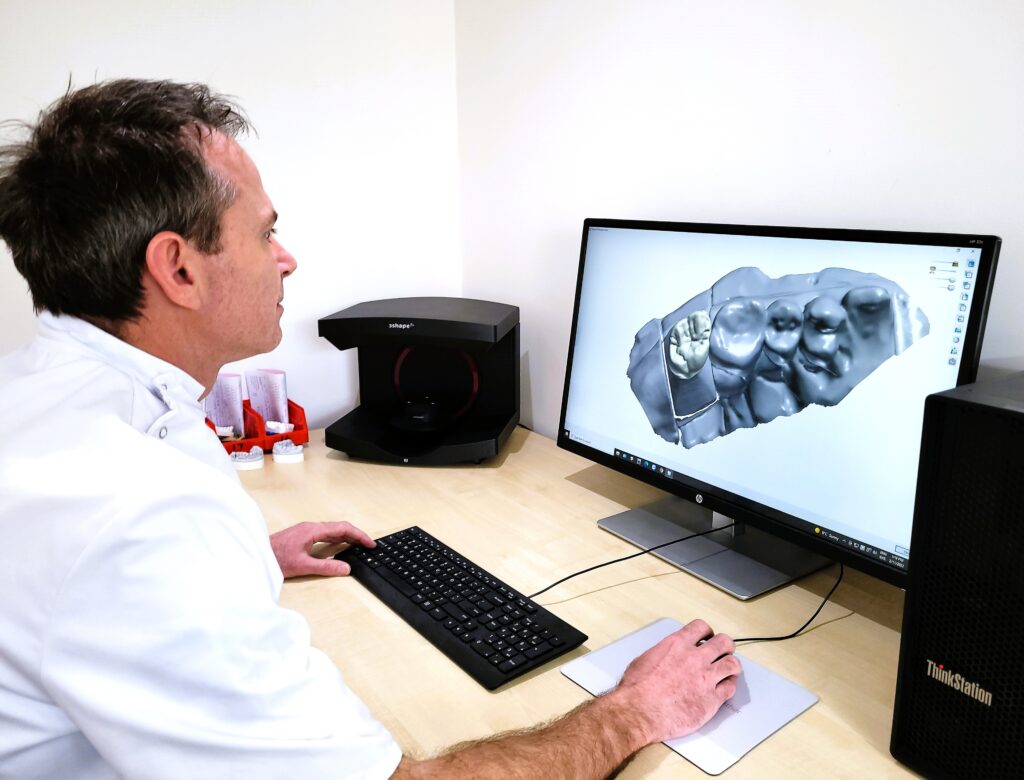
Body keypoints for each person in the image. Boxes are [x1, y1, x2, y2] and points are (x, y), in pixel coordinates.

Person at [0, 79, 740, 779]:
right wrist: (632, 713)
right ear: (178, 270)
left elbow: (96, 581)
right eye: (266, 234)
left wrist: (241, 561)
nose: (287, 260)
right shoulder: (139, 517)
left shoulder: (50, 394)